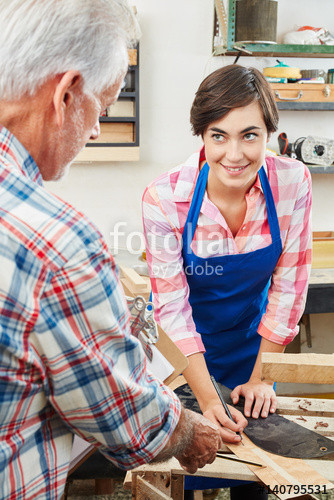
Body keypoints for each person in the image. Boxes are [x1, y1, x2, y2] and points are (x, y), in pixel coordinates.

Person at [0, 2, 234, 499]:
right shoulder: (58, 240)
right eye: (100, 109)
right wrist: (188, 430)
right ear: (66, 94)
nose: (95, 131)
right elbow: (119, 411)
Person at [142, 64, 312, 498]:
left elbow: (288, 290)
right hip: (183, 360)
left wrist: (260, 378)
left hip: (253, 349)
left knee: (256, 472)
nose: (234, 154)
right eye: (219, 135)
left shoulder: (292, 182)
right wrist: (209, 400)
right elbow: (172, 311)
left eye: (249, 135)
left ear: (271, 133)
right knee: (190, 463)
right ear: (201, 134)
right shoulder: (165, 198)